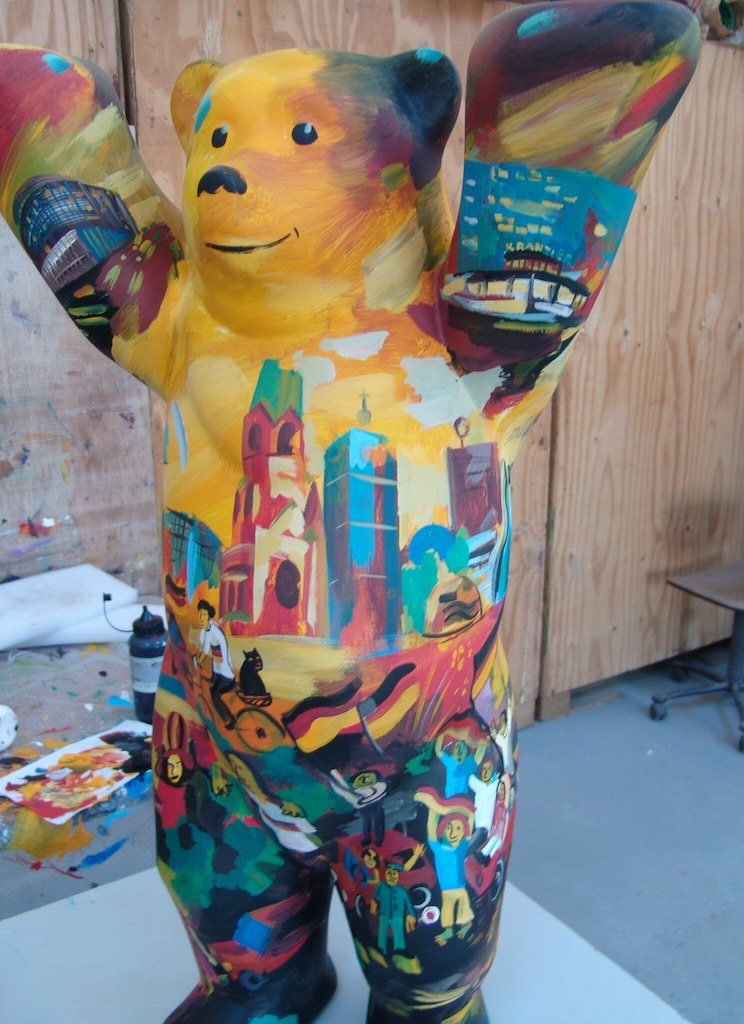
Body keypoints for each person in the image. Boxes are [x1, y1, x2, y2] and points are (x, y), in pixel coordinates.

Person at [195, 599, 236, 726]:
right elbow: (201, 644)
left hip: (225, 674)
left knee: (214, 695)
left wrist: (197, 660)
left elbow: (204, 651)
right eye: (199, 614)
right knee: (208, 685)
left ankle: (229, 719)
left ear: (209, 616)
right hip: (217, 671)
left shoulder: (212, 631)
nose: (201, 617)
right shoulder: (208, 628)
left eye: (204, 615)